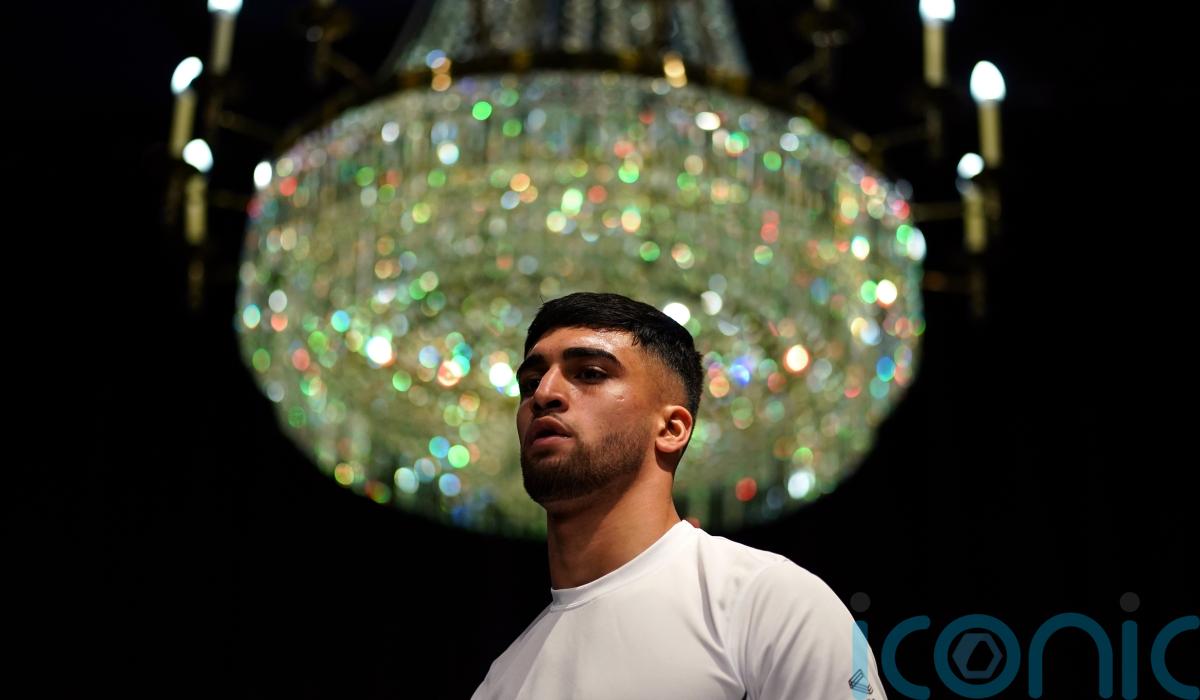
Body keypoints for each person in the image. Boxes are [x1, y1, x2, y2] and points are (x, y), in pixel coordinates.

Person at [471, 292, 887, 700]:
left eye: (590, 373)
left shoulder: (772, 600)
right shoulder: (502, 681)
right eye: (530, 382)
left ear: (672, 429)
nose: (543, 394)